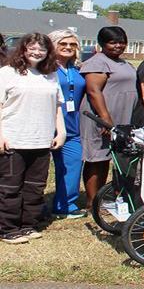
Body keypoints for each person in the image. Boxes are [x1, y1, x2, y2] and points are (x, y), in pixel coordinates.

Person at [0, 33, 66, 244]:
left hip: (41, 140)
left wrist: (61, 132)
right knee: (10, 187)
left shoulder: (50, 75)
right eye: (32, 48)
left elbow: (57, 107)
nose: (37, 52)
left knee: (35, 187)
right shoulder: (7, 73)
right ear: (23, 49)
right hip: (14, 139)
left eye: (42, 49)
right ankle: (8, 228)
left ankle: (28, 225)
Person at [79, 26, 137, 211]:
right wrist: (105, 119)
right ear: (102, 44)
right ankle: (92, 202)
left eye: (121, 42)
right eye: (113, 42)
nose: (118, 46)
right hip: (101, 117)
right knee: (97, 159)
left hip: (121, 117)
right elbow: (94, 91)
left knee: (111, 158)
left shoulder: (122, 63)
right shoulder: (97, 62)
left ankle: (107, 197)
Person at [47, 29, 87, 218]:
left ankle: (65, 205)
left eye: (72, 44)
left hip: (72, 125)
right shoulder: (45, 68)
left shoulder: (76, 68)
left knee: (73, 163)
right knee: (36, 170)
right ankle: (27, 207)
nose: (68, 47)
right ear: (52, 45)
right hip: (46, 124)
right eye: (63, 43)